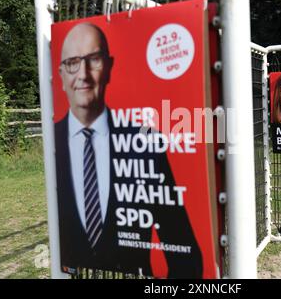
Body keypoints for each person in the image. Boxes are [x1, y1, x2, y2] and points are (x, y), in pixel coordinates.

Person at [55, 22, 202, 277]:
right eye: (72, 63)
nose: (83, 74)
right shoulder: (52, 145)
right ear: (60, 74)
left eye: (93, 59)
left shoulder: (145, 141)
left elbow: (185, 255)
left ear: (109, 67)